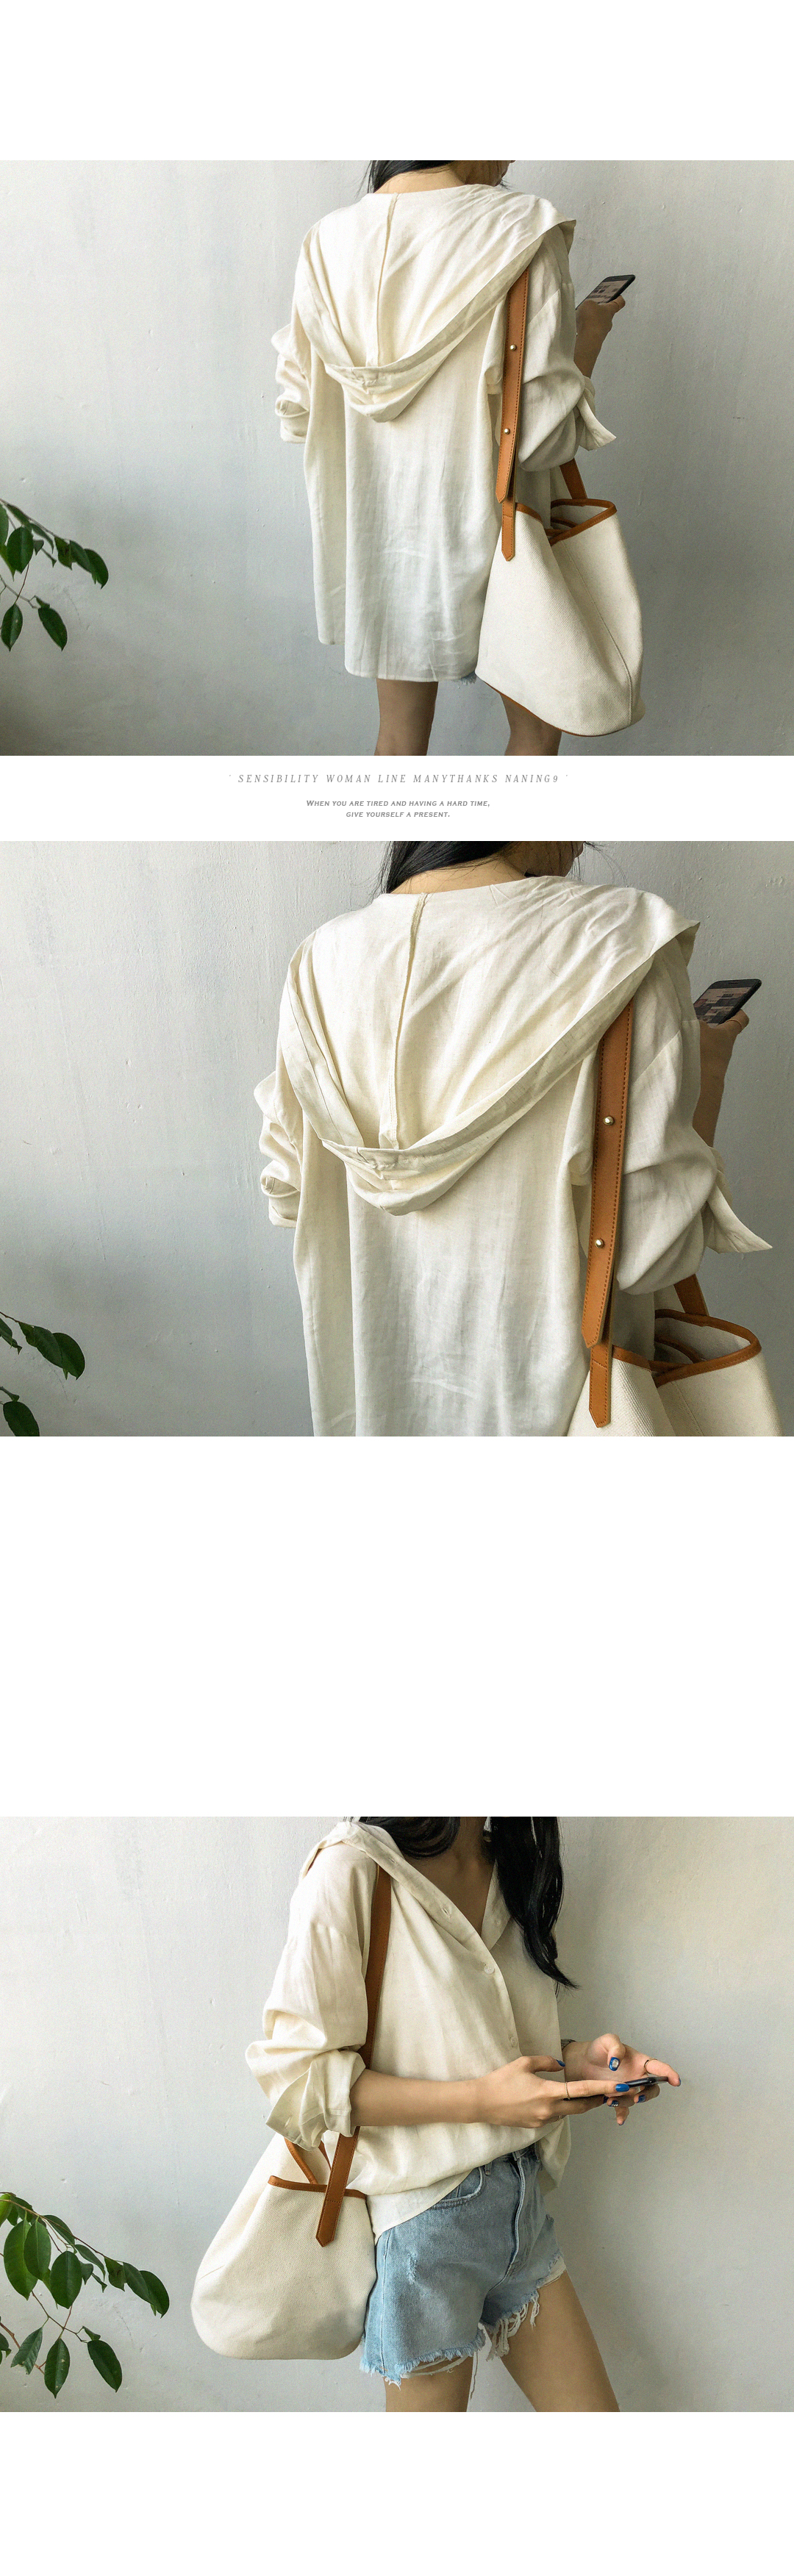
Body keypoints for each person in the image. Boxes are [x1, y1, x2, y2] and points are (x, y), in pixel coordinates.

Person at [254, 840, 767, 1435]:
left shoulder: (318, 957)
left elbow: (289, 1198)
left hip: (375, 1400)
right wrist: (710, 1064)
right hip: (561, 1407)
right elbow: (652, 1253)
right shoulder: (622, 938)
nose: (581, 842)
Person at [247, 1817, 682, 2412]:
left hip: (523, 2210)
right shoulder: (353, 1867)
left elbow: (483, 2050)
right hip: (426, 2228)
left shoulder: (513, 1867)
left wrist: (582, 2062)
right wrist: (483, 2101)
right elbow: (301, 2082)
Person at [273, 162, 626, 753]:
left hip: (381, 543)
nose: (508, 160)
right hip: (502, 537)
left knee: (398, 742)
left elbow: (298, 415)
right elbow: (543, 437)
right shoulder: (524, 227)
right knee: (536, 731)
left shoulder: (325, 239)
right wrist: (589, 330)